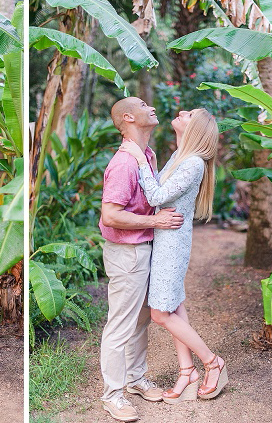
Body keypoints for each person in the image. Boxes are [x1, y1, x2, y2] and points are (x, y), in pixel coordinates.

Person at [119, 108, 227, 406]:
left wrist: (139, 158)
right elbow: (158, 192)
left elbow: (155, 197)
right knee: (175, 306)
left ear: (196, 130)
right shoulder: (181, 156)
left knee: (160, 313)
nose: (182, 112)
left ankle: (212, 361)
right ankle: (187, 371)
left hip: (171, 244)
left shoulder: (192, 163)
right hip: (163, 239)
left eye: (189, 114)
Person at [98, 97, 185, 422]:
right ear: (128, 117)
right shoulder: (124, 163)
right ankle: (113, 395)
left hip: (144, 248)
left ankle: (135, 379)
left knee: (141, 319)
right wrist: (155, 221)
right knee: (121, 323)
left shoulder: (146, 154)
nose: (152, 107)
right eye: (144, 104)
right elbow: (110, 215)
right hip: (127, 253)